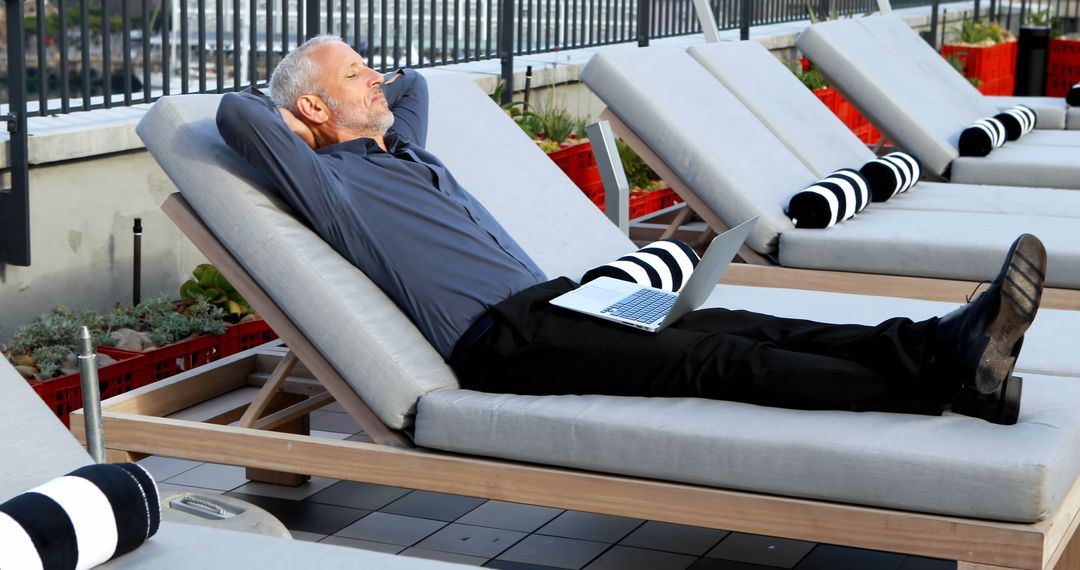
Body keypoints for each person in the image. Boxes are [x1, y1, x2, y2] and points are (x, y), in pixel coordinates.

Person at [217, 35, 1047, 425]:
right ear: (314, 107)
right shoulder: (330, 180)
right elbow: (237, 114)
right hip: (502, 341)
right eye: (353, 76)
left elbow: (419, 84)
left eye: (369, 69)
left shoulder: (402, 151)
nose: (376, 82)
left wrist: (359, 92)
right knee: (714, 358)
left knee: (736, 320)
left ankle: (942, 342)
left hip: (563, 303)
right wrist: (299, 111)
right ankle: (944, 386)